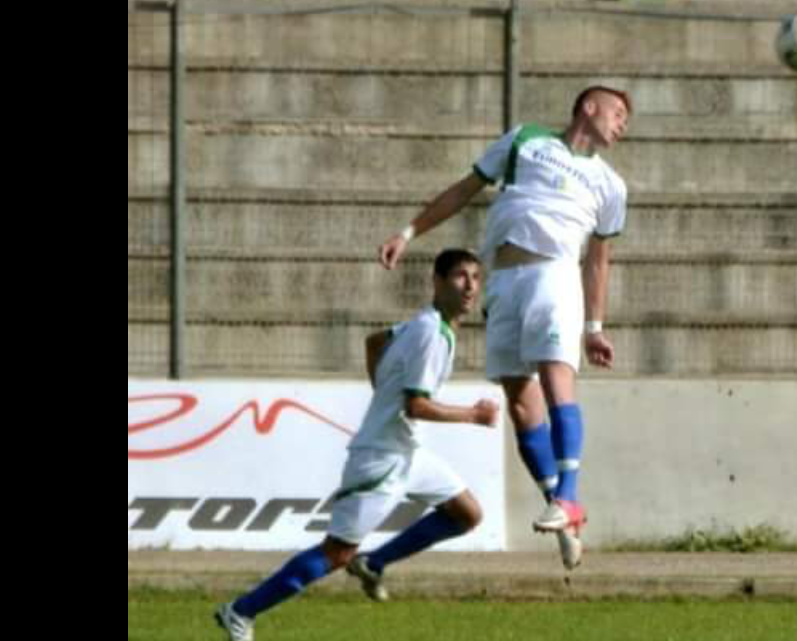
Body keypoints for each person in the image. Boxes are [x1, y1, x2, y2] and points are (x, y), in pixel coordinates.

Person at [378, 86, 631, 570]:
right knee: (520, 402)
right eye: (617, 113)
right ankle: (560, 504)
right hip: (504, 282)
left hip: (554, 275)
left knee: (558, 385)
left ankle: (570, 498)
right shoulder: (525, 141)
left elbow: (598, 260)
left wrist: (595, 326)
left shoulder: (610, 185)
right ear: (587, 107)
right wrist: (409, 232)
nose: (622, 124)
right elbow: (464, 189)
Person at [216, 249, 498, 641]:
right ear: (436, 281)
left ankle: (375, 562)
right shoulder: (432, 334)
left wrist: (382, 394)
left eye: (475, 277)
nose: (470, 286)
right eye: (459, 277)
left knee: (466, 513)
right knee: (336, 553)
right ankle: (241, 611)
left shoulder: (425, 325)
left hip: (408, 453)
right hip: (381, 459)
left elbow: (372, 342)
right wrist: (472, 415)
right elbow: (414, 404)